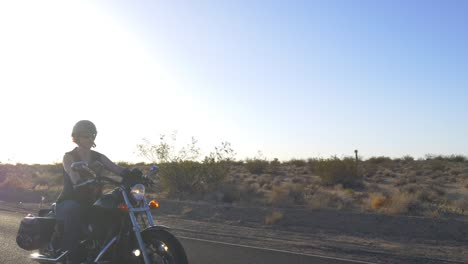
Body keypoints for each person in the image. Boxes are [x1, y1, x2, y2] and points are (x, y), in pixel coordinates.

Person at [55, 120, 130, 264]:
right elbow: (72, 172)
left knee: (113, 210)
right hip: (70, 200)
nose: (90, 139)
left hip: (92, 201)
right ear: (76, 137)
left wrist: (133, 174)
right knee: (74, 210)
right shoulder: (69, 156)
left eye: (92, 136)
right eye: (85, 136)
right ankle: (72, 257)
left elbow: (116, 169)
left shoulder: (98, 156)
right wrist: (78, 181)